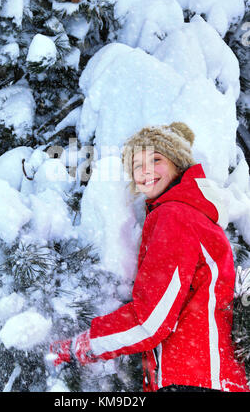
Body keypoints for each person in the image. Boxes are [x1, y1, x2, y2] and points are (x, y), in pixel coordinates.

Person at [49, 122, 249, 392]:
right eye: (136, 163)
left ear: (178, 164)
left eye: (156, 159)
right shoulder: (190, 214)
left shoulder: (175, 215)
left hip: (194, 377)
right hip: (206, 376)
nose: (145, 171)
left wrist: (81, 346)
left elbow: (150, 321)